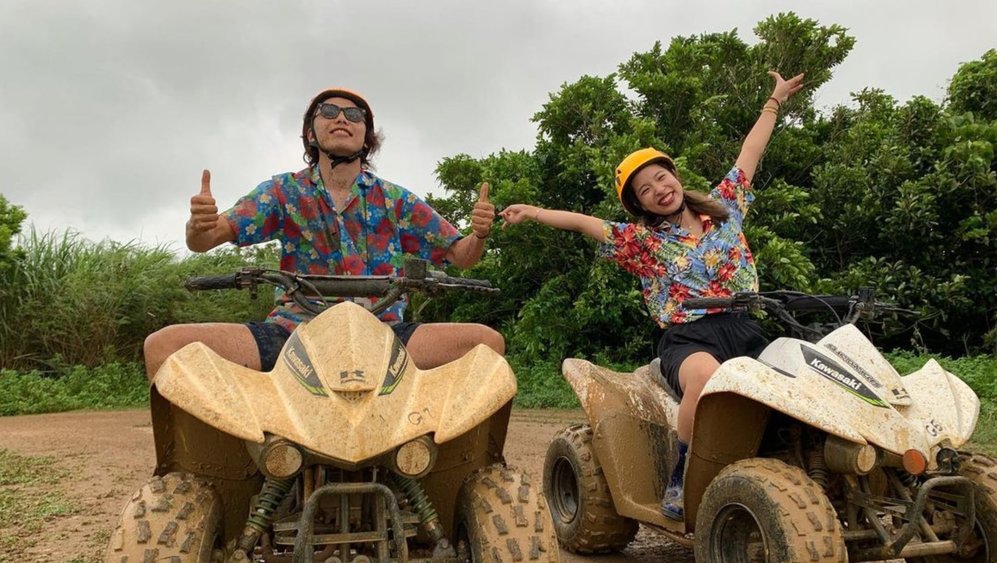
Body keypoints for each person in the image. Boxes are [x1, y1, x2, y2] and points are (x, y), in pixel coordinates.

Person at [501, 71, 804, 520]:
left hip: (745, 328)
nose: (659, 190)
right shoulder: (642, 243)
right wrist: (533, 211)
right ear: (640, 205)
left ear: (675, 177)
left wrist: (773, 102)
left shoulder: (725, 209)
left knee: (802, 375)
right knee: (706, 380)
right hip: (690, 338)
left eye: (661, 178)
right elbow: (586, 223)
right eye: (646, 190)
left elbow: (751, 151)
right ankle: (682, 475)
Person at [144, 87, 504, 381]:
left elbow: (461, 255)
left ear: (367, 137)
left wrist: (479, 234)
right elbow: (206, 240)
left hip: (384, 333)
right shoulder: (283, 192)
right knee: (164, 346)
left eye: (355, 114)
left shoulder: (396, 200)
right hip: (293, 333)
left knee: (485, 344)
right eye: (329, 112)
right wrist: (198, 226)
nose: (342, 118)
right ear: (310, 133)